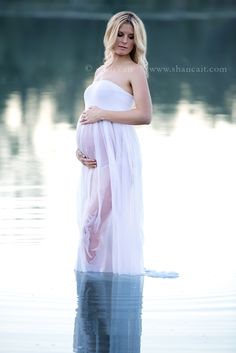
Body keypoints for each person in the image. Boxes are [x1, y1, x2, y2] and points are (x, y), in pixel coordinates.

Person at [75, 11, 152, 275]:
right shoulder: (102, 70)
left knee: (92, 224)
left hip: (118, 158)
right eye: (120, 34)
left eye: (131, 37)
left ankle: (94, 293)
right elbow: (89, 113)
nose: (124, 40)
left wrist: (102, 114)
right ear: (110, 33)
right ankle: (95, 293)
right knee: (97, 229)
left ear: (136, 42)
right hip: (96, 163)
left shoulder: (135, 71)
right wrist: (80, 150)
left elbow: (144, 115)